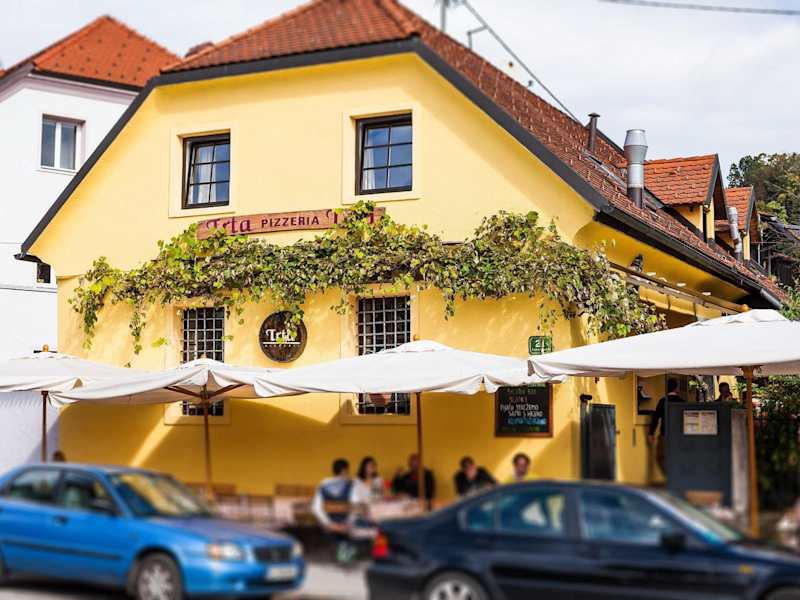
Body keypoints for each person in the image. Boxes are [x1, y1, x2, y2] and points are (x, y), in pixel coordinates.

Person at [311, 458, 357, 563]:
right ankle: (345, 556)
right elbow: (355, 507)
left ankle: (340, 553)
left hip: (329, 526)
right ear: (344, 471)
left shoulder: (323, 484)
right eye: (347, 471)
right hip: (345, 526)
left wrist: (329, 524)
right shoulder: (350, 485)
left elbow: (315, 508)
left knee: (337, 535)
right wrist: (347, 524)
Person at [647, 378, 686, 474]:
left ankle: (668, 474)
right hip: (679, 435)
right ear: (676, 388)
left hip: (664, 434)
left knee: (661, 456)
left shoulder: (663, 401)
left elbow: (656, 418)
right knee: (678, 456)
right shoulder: (682, 402)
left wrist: (651, 433)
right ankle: (677, 474)